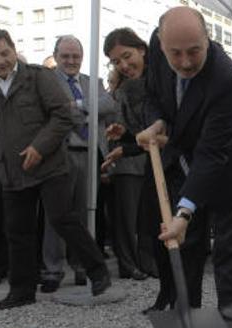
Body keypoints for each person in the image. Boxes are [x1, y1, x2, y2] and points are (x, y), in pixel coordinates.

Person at [135, 7, 232, 328]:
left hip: (228, 166)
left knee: (227, 250)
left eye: (194, 51)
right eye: (176, 53)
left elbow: (212, 152)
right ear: (161, 44)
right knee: (186, 247)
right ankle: (183, 322)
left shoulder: (226, 78)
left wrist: (185, 212)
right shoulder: (160, 54)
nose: (186, 62)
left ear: (208, 40)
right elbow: (152, 96)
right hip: (186, 162)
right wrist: (157, 122)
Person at [0, 28, 111, 310]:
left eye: (5, 53)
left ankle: (97, 271)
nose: (1, 61)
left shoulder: (37, 77)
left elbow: (63, 115)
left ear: (13, 48)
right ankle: (22, 290)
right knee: (17, 230)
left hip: (50, 165)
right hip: (10, 171)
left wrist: (39, 147)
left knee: (62, 219)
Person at [40, 35, 118, 292]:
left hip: (89, 154)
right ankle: (52, 270)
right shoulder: (47, 80)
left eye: (76, 56)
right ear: (56, 56)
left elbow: (109, 105)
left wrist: (79, 104)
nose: (71, 61)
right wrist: (85, 112)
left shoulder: (91, 82)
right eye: (65, 56)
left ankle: (82, 266)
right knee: (58, 216)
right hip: (59, 155)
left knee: (86, 212)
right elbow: (55, 112)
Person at [101, 27, 158, 282]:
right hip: (140, 160)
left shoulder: (161, 79)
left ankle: (152, 265)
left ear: (142, 50)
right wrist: (124, 136)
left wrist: (127, 141)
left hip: (163, 159)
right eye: (116, 62)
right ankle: (136, 266)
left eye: (127, 56)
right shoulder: (125, 92)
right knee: (133, 220)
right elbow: (141, 133)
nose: (123, 65)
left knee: (152, 220)